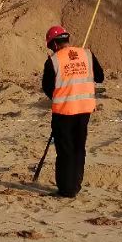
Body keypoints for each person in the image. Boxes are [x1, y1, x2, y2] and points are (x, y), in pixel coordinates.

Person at [41, 25, 104, 198]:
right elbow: (99, 77)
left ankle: (66, 189)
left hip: (64, 112)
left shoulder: (53, 61)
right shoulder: (87, 55)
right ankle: (75, 185)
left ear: (53, 44)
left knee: (65, 151)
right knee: (78, 148)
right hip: (84, 110)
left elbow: (48, 88)